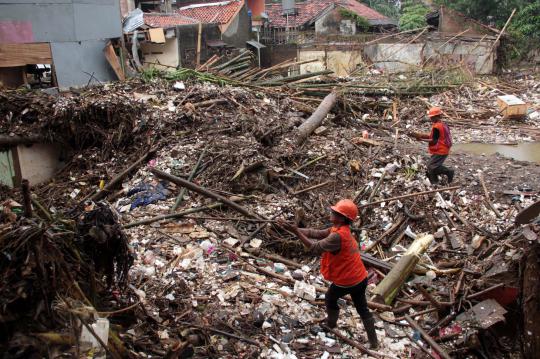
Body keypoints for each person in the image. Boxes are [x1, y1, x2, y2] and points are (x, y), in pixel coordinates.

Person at [278, 199, 379, 349]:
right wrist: (292, 229)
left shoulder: (337, 236)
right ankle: (374, 342)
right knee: (362, 308)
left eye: (335, 212)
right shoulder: (339, 230)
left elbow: (314, 248)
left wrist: (296, 232)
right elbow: (315, 233)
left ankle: (331, 324)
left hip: (349, 280)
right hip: (360, 277)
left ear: (342, 218)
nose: (331, 213)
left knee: (330, 297)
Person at [411, 107, 454, 184]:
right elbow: (435, 136)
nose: (431, 119)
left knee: (431, 166)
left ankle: (448, 173)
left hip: (441, 150)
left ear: (436, 117)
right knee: (432, 166)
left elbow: (433, 140)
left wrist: (421, 140)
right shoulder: (442, 124)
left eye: (432, 117)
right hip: (444, 148)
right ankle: (435, 180)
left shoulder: (437, 126)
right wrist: (421, 135)